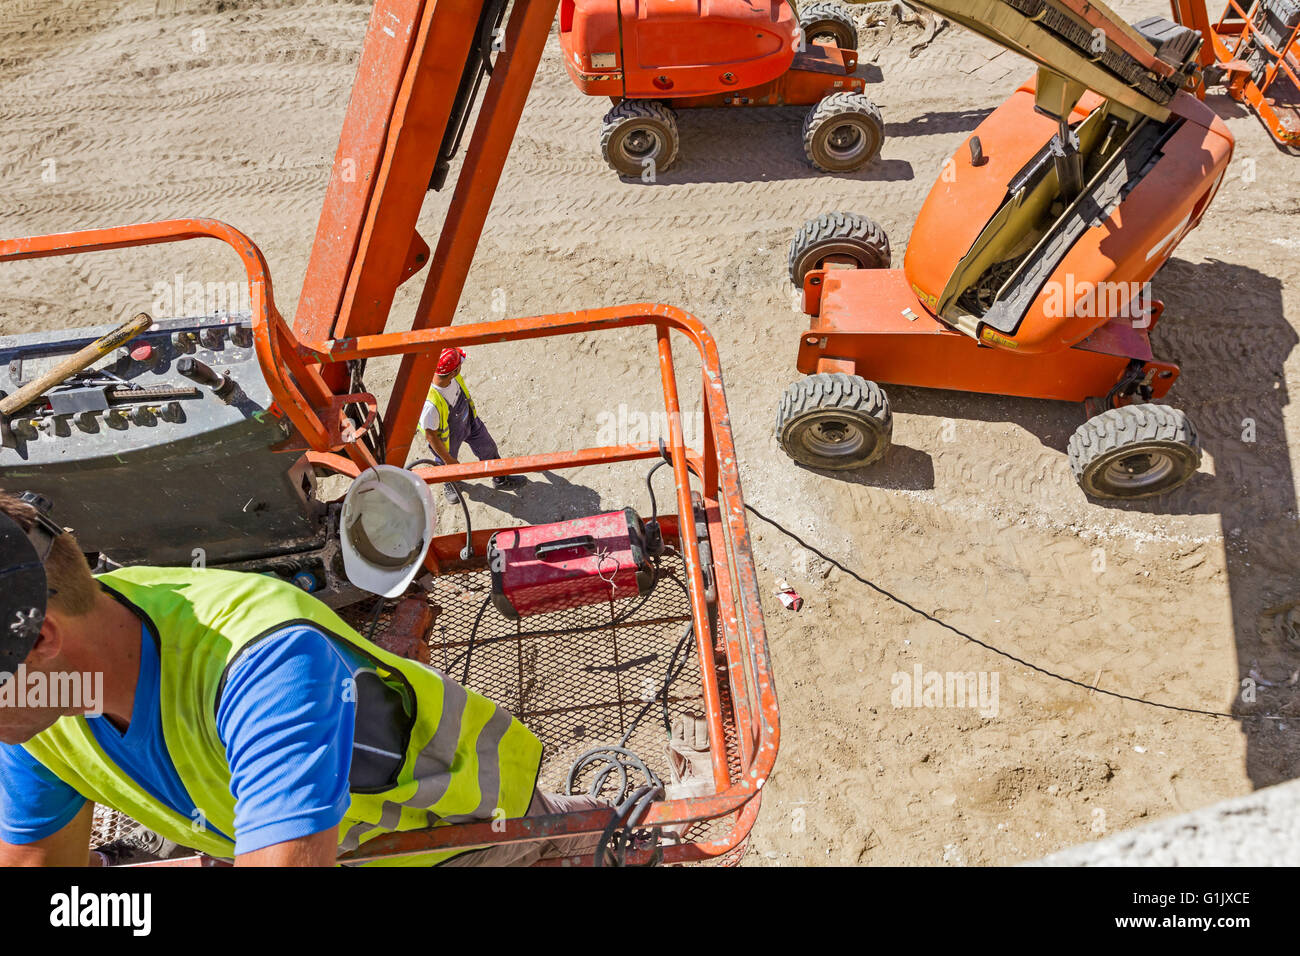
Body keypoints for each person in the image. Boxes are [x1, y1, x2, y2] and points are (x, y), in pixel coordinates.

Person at [0, 490, 605, 867]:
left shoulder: (262, 658)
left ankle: (616, 829)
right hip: (322, 848)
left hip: (457, 837)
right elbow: (36, 863)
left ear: (43, 638)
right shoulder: (36, 706)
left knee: (577, 840)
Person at [418, 347, 526, 504]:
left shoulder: (452, 378)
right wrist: (448, 460)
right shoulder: (430, 405)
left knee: (488, 448)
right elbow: (430, 436)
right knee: (447, 464)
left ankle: (500, 479)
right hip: (449, 437)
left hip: (469, 421)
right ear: (454, 371)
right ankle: (451, 483)